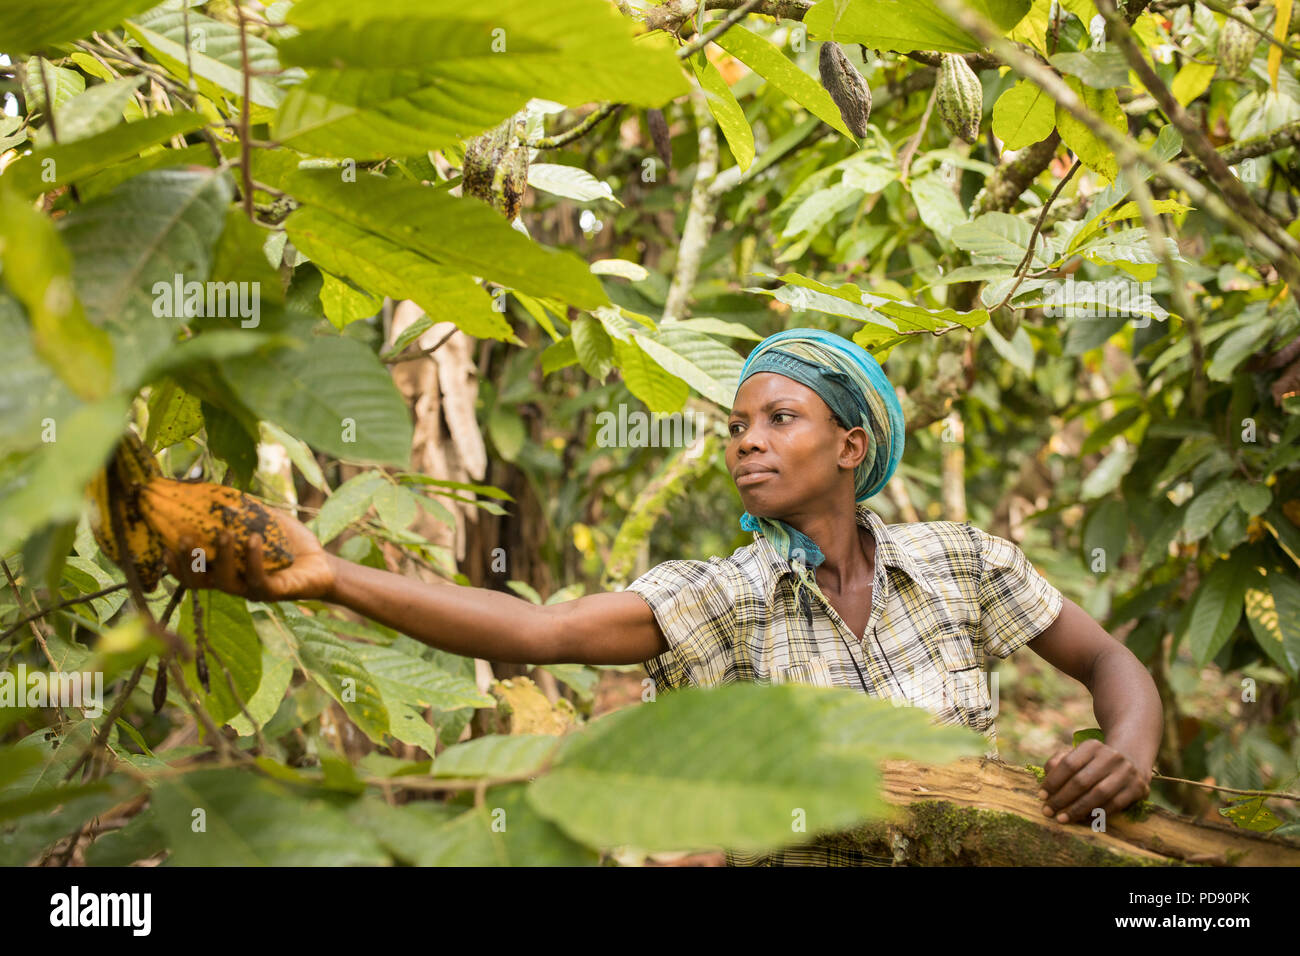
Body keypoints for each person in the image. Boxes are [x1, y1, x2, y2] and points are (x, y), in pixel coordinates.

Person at [165, 327, 1162, 866]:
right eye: (735, 423)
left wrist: (1126, 748)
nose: (746, 440)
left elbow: (1109, 663)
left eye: (780, 416)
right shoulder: (724, 596)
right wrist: (326, 574)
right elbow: (540, 628)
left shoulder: (960, 562)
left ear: (851, 447)